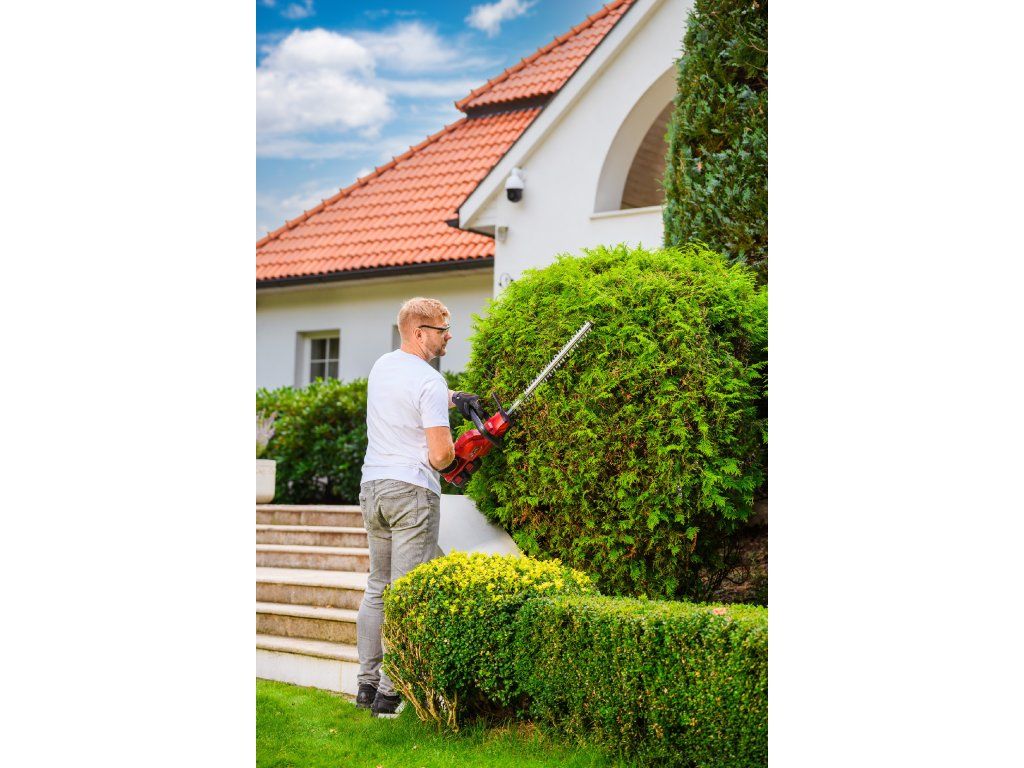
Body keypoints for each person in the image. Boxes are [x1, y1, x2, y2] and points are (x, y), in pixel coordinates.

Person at [355, 297, 485, 718]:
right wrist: (464, 454)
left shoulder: (384, 366)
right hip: (412, 491)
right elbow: (441, 456)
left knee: (378, 587)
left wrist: (456, 398)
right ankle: (390, 697)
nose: (449, 336)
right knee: (407, 592)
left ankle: (366, 686)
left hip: (374, 488)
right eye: (442, 330)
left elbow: (414, 392)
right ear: (419, 333)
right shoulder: (428, 380)